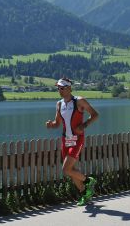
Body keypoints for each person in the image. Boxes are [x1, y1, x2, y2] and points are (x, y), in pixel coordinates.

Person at [46, 77, 99, 206]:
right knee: (71, 169)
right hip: (65, 139)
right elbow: (57, 123)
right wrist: (50, 124)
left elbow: (95, 114)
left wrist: (84, 125)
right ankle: (85, 194)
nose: (59, 90)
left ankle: (88, 181)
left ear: (69, 88)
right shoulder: (59, 104)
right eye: (58, 88)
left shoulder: (79, 101)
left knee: (66, 169)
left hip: (77, 139)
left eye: (62, 88)